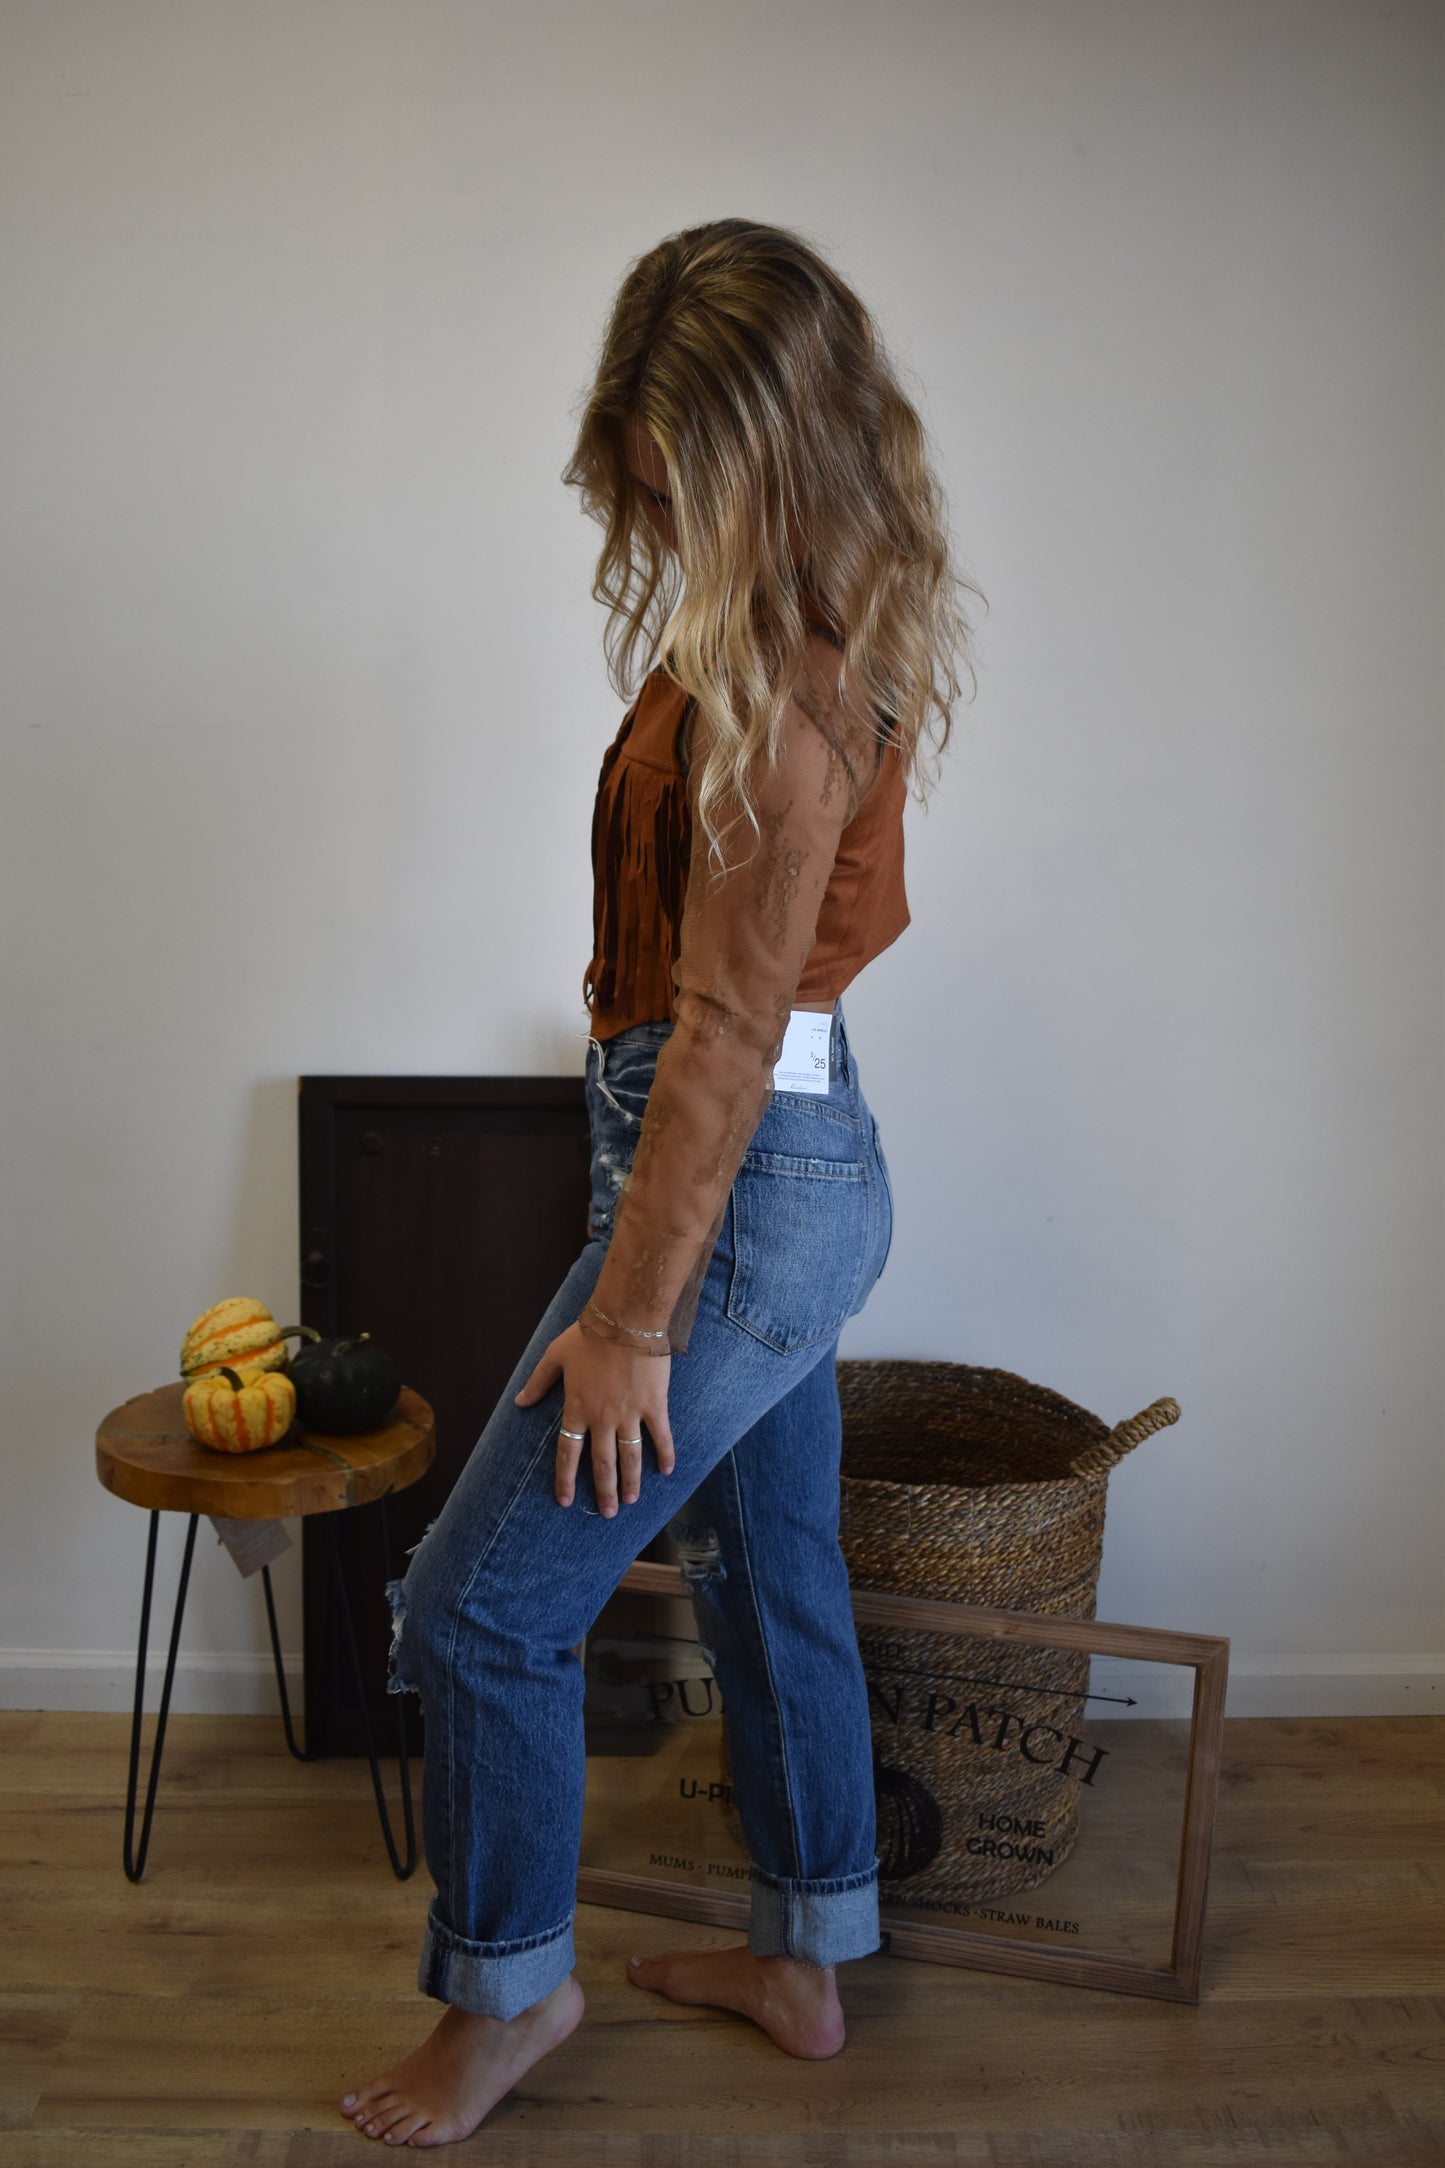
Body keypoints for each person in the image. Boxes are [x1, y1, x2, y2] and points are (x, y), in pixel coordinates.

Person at [338, 216, 980, 2149]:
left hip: (737, 1189)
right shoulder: (805, 621)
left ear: (764, 449)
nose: (646, 510)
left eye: (675, 474)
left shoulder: (789, 688)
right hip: (771, 1168)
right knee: (766, 1564)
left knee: (475, 1612)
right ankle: (804, 1953)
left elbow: (717, 1034)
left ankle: (505, 1999)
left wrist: (628, 1321)